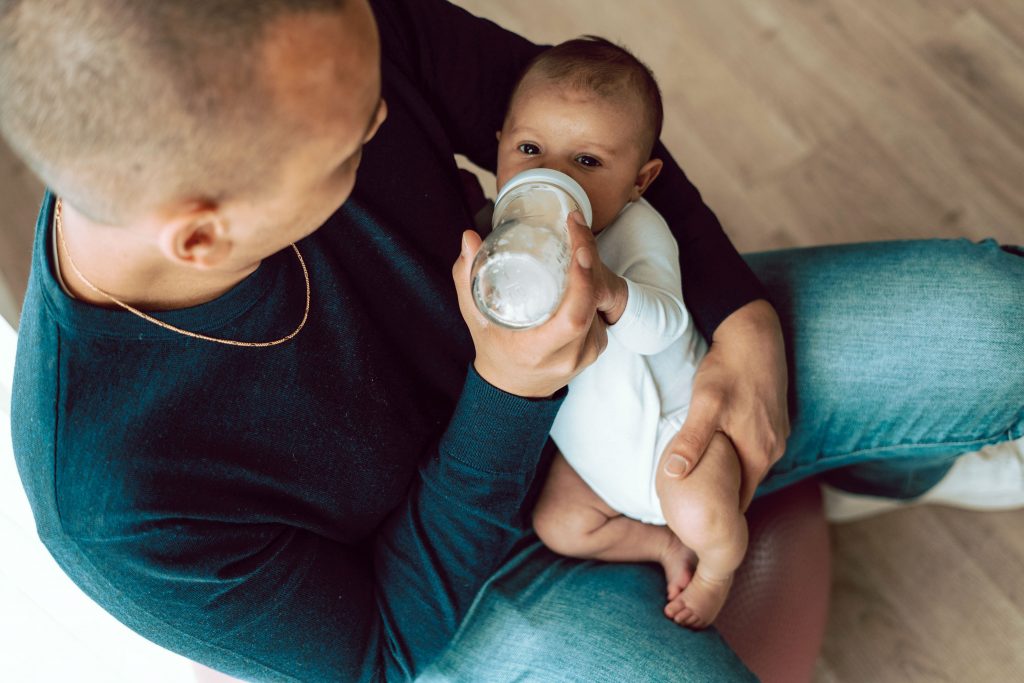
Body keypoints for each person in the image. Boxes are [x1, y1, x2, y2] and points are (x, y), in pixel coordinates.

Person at [1, 1, 1020, 681]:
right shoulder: (111, 498)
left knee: (992, 314)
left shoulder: (319, 37)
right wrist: (506, 392)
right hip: (468, 584)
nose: (388, 118)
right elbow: (380, 646)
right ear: (201, 232)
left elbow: (578, 111)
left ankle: (875, 469)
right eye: (360, 137)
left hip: (631, 368)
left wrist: (737, 310)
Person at [497, 37, 745, 629]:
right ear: (498, 149)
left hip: (677, 432)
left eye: (586, 162)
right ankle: (657, 544)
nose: (551, 174)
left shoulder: (638, 231)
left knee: (705, 513)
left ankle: (715, 569)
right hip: (595, 468)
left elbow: (667, 325)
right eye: (530, 148)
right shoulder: (502, 240)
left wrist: (610, 290)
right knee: (558, 526)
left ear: (640, 179)